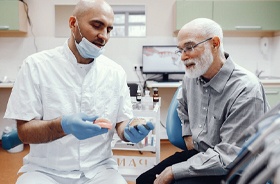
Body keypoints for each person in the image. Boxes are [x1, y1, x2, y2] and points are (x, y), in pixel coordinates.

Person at [4, 0, 154, 184]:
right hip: (45, 171)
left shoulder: (115, 72)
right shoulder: (36, 66)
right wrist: (62, 125)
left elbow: (121, 121)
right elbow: (24, 132)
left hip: (100, 170)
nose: (104, 36)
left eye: (109, 29)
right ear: (73, 23)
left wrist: (129, 130)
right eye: (97, 25)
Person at [136, 18, 270, 184]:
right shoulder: (191, 76)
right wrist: (187, 134)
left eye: (190, 47)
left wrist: (175, 171)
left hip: (236, 167)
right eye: (180, 50)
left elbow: (230, 155)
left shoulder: (246, 89)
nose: (183, 57)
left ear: (215, 43)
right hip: (203, 156)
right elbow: (182, 106)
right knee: (144, 180)